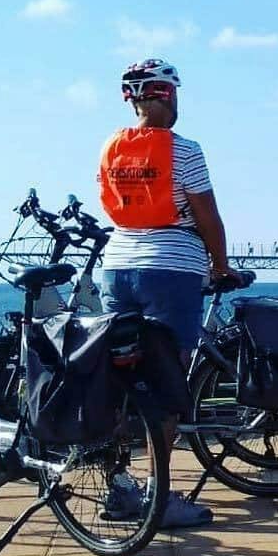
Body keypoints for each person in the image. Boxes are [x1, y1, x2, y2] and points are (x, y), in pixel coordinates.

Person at [96, 57, 232, 529]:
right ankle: (159, 498)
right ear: (167, 96)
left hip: (116, 268)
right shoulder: (184, 150)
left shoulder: (111, 147)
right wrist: (220, 266)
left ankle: (118, 490)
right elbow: (207, 216)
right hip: (171, 270)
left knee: (117, 382)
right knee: (166, 385)